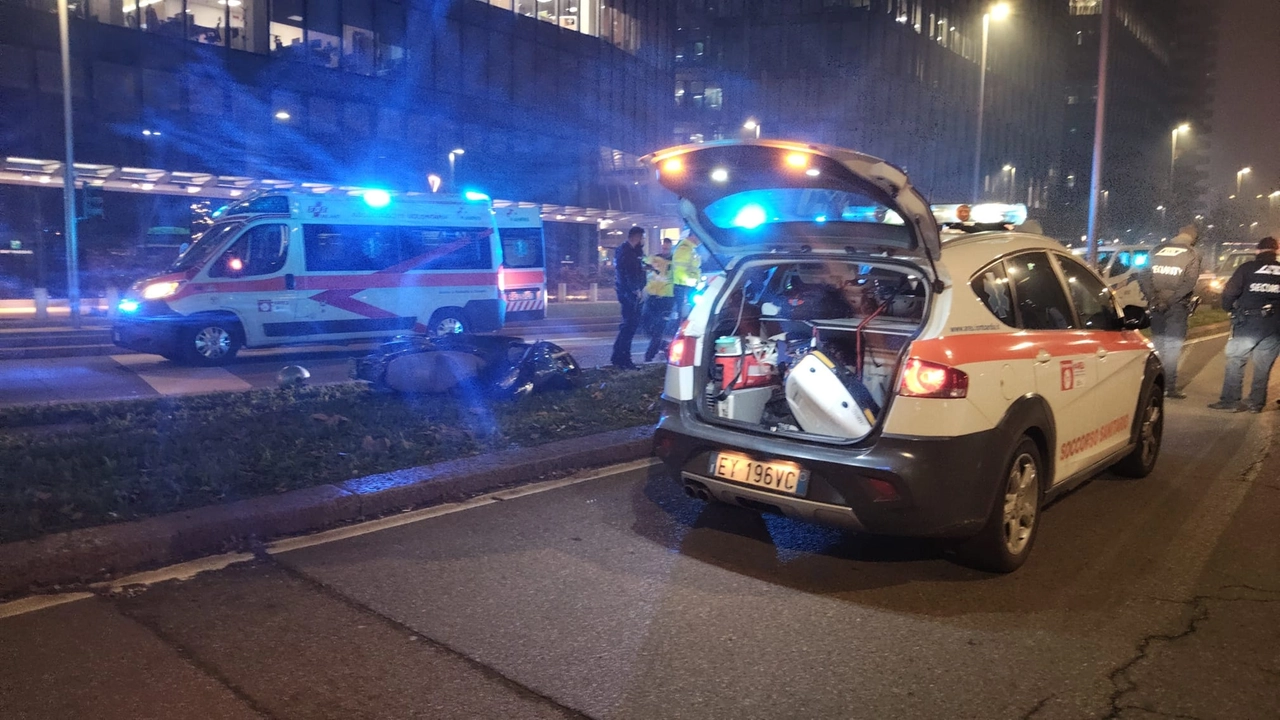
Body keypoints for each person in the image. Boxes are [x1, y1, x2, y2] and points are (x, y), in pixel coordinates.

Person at [1208, 237, 1280, 413]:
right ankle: (1256, 404)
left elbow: (1230, 292)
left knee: (1235, 361)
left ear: (1258, 251)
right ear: (1276, 251)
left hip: (1247, 323)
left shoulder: (1247, 268)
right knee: (1263, 367)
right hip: (1274, 326)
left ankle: (1230, 401)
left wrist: (1228, 308)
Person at [1138, 223, 1202, 399]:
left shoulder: (1156, 250)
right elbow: (1189, 282)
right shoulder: (1192, 254)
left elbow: (1143, 275)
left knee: (1158, 345)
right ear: (1194, 239)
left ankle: (1153, 384)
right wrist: (1171, 300)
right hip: (1176, 307)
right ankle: (1169, 387)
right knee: (1172, 346)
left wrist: (1154, 299)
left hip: (1156, 305)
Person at [610, 226, 647, 370]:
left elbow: (636, 269)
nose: (643, 240)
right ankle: (624, 359)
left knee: (627, 327)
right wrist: (635, 289)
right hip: (629, 294)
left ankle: (618, 357)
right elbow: (628, 273)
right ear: (636, 237)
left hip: (628, 293)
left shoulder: (632, 251)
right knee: (629, 327)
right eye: (642, 237)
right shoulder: (627, 252)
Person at [642, 237, 675, 362]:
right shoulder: (655, 258)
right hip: (652, 297)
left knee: (658, 329)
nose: (665, 250)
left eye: (667, 248)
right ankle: (664, 345)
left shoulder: (674, 262)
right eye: (664, 247)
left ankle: (649, 356)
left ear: (671, 248)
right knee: (645, 327)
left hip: (666, 299)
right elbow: (643, 262)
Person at [671, 229, 702, 320]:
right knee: (686, 314)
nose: (700, 241)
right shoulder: (684, 249)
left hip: (686, 287)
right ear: (693, 236)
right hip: (684, 287)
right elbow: (680, 270)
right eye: (699, 237)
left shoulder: (690, 249)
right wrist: (691, 282)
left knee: (687, 313)